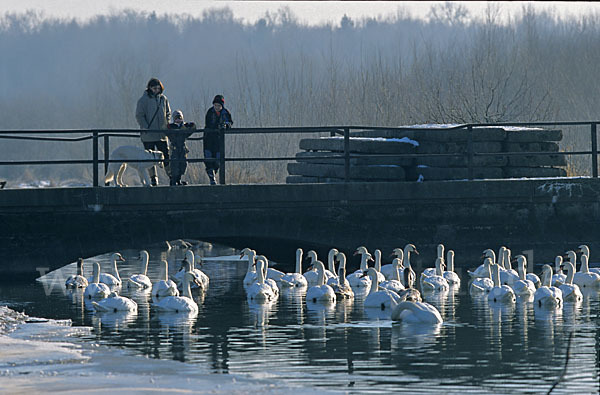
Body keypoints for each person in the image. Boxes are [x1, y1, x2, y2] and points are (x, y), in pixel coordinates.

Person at [135, 78, 171, 186]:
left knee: (166, 156)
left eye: (158, 88)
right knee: (149, 158)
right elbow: (139, 115)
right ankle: (153, 178)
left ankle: (171, 177)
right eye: (155, 88)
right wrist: (146, 127)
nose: (157, 90)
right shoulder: (143, 100)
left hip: (162, 134)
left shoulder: (163, 99)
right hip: (148, 135)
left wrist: (166, 124)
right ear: (150, 88)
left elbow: (168, 113)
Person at [203, 94, 233, 185]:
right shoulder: (210, 112)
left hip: (219, 139)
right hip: (209, 138)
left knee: (218, 158)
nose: (217, 107)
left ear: (222, 106)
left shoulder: (226, 113)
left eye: (219, 105)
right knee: (208, 157)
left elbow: (230, 122)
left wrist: (226, 125)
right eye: (215, 105)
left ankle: (214, 173)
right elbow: (208, 124)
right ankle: (211, 175)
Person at [166, 110, 196, 186]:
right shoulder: (171, 127)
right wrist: (171, 126)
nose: (178, 120)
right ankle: (173, 180)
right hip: (174, 148)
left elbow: (193, 127)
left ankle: (179, 179)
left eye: (180, 118)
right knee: (174, 165)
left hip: (182, 148)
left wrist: (186, 125)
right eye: (176, 118)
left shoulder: (184, 128)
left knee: (183, 164)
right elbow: (166, 129)